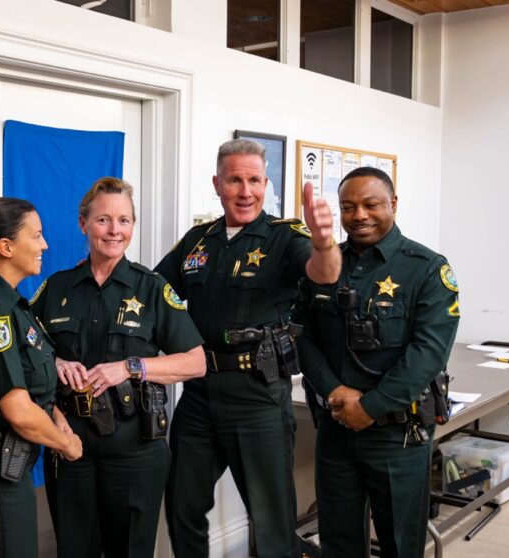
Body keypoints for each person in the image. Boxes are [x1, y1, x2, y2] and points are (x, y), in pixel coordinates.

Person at [155, 138, 341, 558]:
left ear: (266, 183)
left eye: (254, 180)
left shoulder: (285, 236)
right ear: (217, 184)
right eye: (235, 180)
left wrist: (325, 241)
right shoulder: (197, 241)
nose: (245, 191)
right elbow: (153, 293)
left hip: (257, 396)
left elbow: (323, 274)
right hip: (199, 394)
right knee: (182, 506)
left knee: (272, 521)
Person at [30, 176, 206, 558]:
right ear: (83, 224)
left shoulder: (152, 288)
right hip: (70, 445)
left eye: (124, 221)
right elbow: (25, 351)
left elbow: (196, 362)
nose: (114, 231)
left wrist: (130, 366)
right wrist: (55, 360)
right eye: (103, 220)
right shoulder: (57, 288)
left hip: (135, 450)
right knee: (74, 550)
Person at [292, 167, 460, 558]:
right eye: (348, 207)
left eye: (371, 205)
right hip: (336, 430)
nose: (359, 216)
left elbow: (427, 355)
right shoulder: (323, 265)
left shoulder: (427, 268)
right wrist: (334, 392)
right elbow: (302, 335)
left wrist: (369, 407)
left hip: (396, 436)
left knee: (400, 544)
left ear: (393, 205)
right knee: (339, 541)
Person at [0, 197, 83, 557]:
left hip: (12, 461)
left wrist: (56, 418)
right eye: (36, 236)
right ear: (6, 247)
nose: (45, 245)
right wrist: (66, 443)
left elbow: (33, 383)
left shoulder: (15, 306)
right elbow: (18, 410)